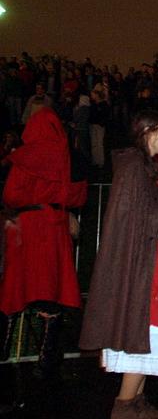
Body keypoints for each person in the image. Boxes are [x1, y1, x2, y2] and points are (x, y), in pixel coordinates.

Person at [79, 110, 158, 419]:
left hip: (147, 262)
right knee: (144, 330)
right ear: (148, 132)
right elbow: (132, 220)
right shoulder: (134, 168)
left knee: (150, 331)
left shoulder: (142, 166)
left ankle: (136, 401)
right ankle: (124, 406)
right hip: (141, 268)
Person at [0, 108, 87, 377]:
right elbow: (78, 197)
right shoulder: (71, 157)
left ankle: (4, 352)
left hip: (26, 229)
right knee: (52, 290)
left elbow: (11, 194)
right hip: (54, 227)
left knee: (15, 288)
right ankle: (47, 360)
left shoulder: (24, 156)